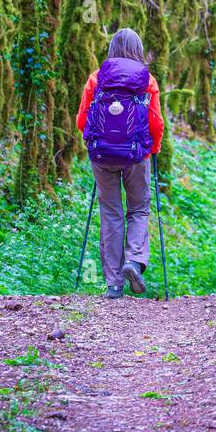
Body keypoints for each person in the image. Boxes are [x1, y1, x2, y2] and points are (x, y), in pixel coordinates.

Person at [76, 28, 165, 299]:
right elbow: (156, 123)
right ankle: (134, 259)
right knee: (138, 209)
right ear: (138, 49)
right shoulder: (147, 80)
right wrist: (155, 148)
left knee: (111, 213)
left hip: (102, 156)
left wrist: (95, 144)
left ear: (112, 48)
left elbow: (82, 120)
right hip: (137, 155)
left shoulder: (96, 78)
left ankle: (114, 285)